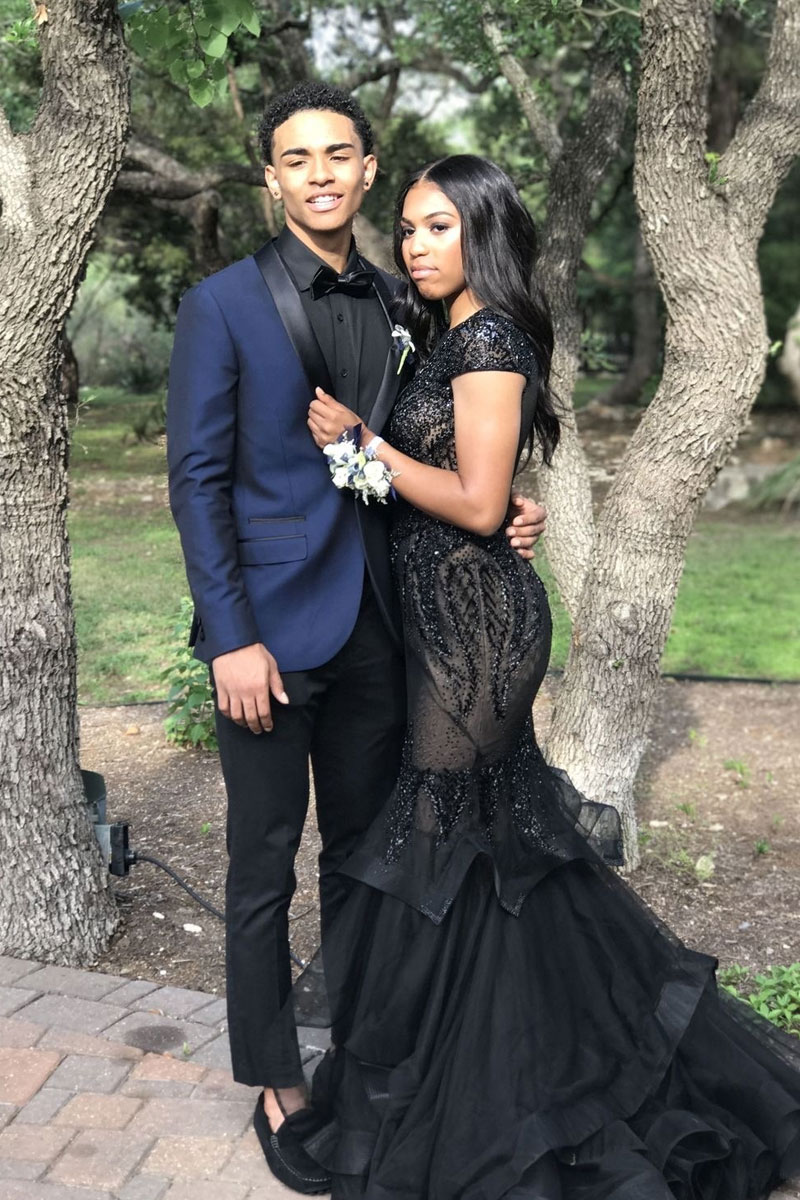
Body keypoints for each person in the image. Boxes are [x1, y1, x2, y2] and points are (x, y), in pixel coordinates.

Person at [295, 154, 800, 1199]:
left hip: (476, 632)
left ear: (482, 233)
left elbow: (482, 504)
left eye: (439, 226)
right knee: (493, 856)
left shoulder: (489, 339)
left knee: (446, 843)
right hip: (447, 621)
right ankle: (512, 1071)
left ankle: (482, 1096)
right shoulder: (446, 334)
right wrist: (377, 461)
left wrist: (364, 445)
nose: (415, 245)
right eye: (409, 227)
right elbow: (472, 490)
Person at [166, 84, 546, 1196]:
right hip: (267, 643)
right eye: (298, 158)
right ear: (271, 178)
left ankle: (361, 1058)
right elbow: (196, 484)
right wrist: (230, 638)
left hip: (384, 632)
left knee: (361, 862)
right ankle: (275, 1079)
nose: (321, 173)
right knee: (259, 867)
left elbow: (441, 437)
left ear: (368, 170)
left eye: (340, 154)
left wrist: (501, 511)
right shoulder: (221, 305)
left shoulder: (402, 295)